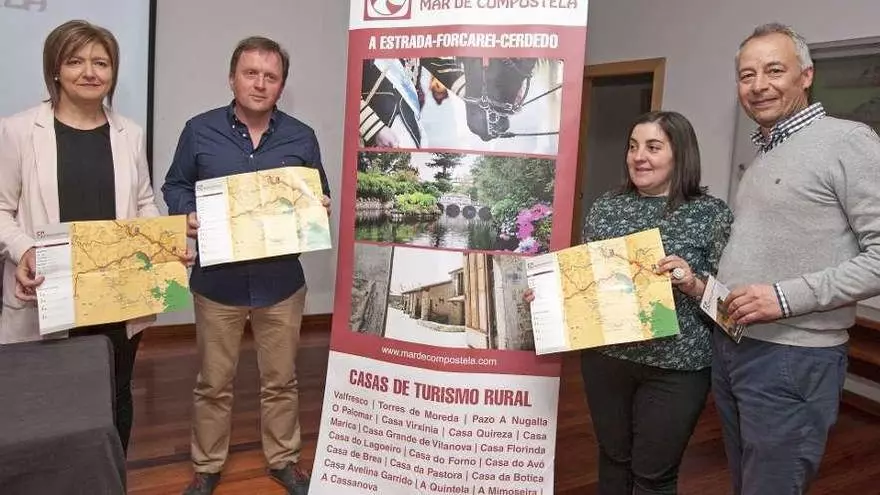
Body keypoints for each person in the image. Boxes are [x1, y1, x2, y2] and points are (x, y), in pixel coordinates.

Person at [527, 111, 733, 494]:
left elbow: (731, 309)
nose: (639, 157)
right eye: (633, 146)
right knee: (613, 460)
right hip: (607, 361)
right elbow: (586, 284)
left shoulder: (712, 214)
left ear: (681, 155)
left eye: (653, 147)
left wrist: (692, 283)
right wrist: (549, 295)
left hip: (676, 368)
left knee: (654, 475)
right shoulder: (606, 207)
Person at [713, 23, 880, 494]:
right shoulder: (767, 153)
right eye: (747, 75)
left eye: (774, 70)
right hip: (735, 346)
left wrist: (784, 299)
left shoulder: (848, 142)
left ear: (806, 75)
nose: (758, 85)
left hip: (791, 358)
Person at [162, 36, 331, 495]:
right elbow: (175, 185)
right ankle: (207, 466)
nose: (260, 83)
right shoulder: (199, 130)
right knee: (213, 383)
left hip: (281, 283)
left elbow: (318, 192)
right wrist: (186, 212)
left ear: (281, 86)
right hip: (218, 282)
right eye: (250, 73)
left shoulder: (302, 136)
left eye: (270, 76)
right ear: (232, 78)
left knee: (282, 381)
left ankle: (284, 460)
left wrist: (320, 206)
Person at [0, 20, 178, 454]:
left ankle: (109, 479)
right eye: (75, 61)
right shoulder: (17, 130)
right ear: (55, 69)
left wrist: (163, 247)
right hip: (49, 294)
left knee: (115, 395)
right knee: (46, 403)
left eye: (101, 62)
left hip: (117, 297)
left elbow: (144, 201)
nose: (89, 72)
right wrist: (24, 250)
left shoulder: (130, 133)